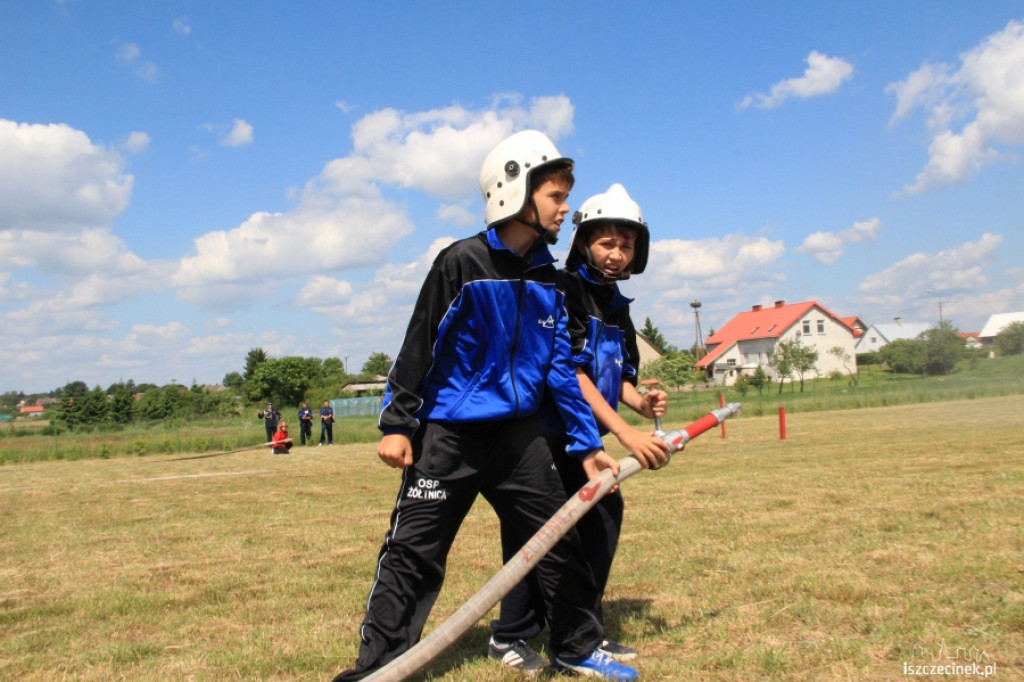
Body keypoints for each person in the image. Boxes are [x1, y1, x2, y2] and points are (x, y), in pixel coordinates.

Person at [332, 131, 639, 682]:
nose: (565, 208)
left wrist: (588, 445)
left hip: (518, 440)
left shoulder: (549, 277)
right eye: (555, 196)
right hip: (448, 435)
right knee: (414, 554)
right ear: (515, 191)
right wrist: (399, 423)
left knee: (557, 538)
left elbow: (557, 370)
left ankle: (574, 647)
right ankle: (376, 668)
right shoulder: (461, 263)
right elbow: (419, 343)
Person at [489, 183, 670, 670]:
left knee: (599, 526)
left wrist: (642, 402)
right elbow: (573, 373)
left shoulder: (618, 306)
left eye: (626, 245)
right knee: (540, 536)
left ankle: (582, 629)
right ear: (583, 242)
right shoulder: (563, 290)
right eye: (606, 243)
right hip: (548, 438)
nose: (616, 254)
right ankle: (509, 635)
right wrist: (628, 434)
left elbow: (619, 379)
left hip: (587, 441)